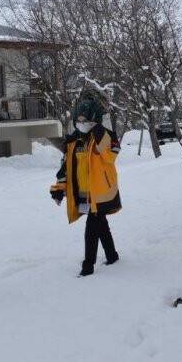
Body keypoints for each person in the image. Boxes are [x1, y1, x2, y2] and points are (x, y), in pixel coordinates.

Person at [50, 97, 121, 277]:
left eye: (86, 120)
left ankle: (88, 266)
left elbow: (110, 156)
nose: (82, 124)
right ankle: (112, 256)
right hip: (83, 194)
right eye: (79, 120)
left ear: (94, 119)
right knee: (101, 225)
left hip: (102, 193)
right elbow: (66, 168)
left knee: (92, 227)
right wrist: (59, 189)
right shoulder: (73, 141)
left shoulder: (106, 136)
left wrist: (98, 132)